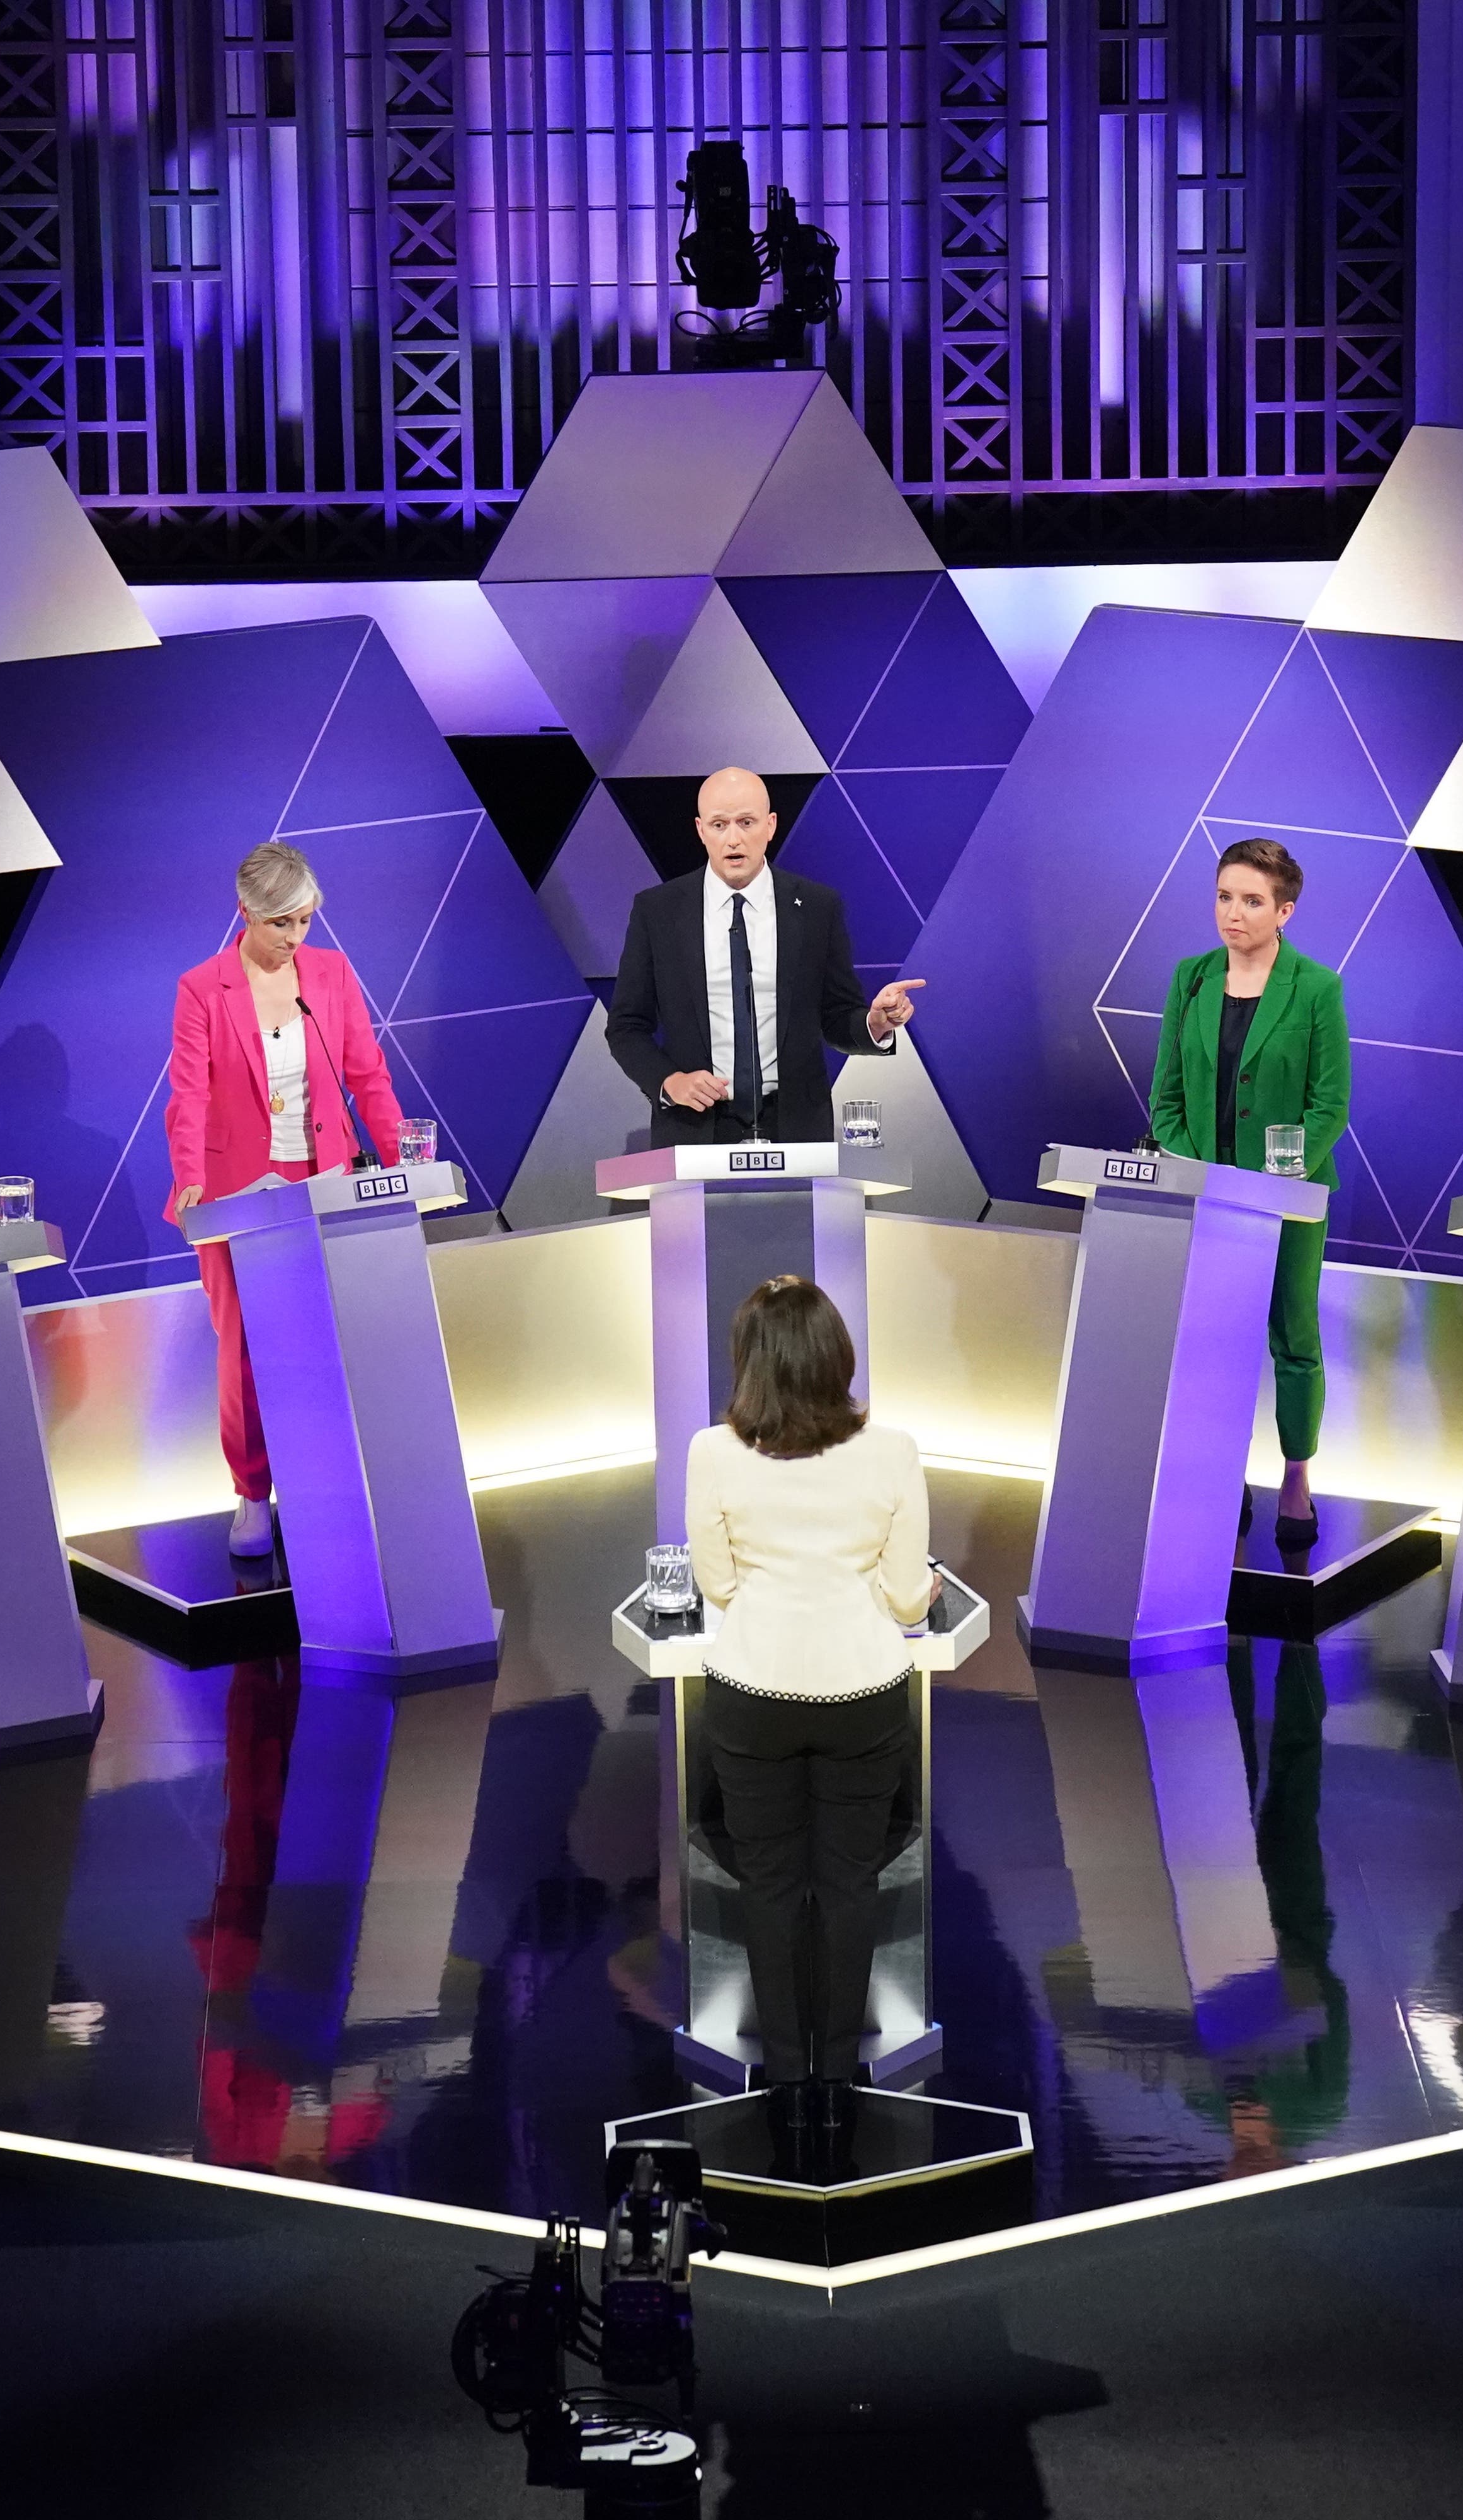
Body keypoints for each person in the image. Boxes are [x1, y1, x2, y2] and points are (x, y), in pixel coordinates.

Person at [682, 1276, 935, 2131]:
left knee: (773, 1887)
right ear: (837, 1354)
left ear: (748, 1363)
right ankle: (837, 2085)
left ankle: (788, 2084)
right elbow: (907, 1601)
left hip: (753, 1699)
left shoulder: (712, 1452)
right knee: (851, 1885)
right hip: (863, 1699)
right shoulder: (893, 1450)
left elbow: (716, 1584)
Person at [162, 840, 409, 1557]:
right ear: (246, 913)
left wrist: (402, 1162)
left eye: (305, 922)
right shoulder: (203, 986)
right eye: (281, 925)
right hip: (234, 1193)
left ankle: (331, 1487)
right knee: (244, 1353)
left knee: (331, 1343)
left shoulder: (330, 973)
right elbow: (189, 1095)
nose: (295, 939)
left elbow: (368, 1073)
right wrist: (192, 1180)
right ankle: (251, 1494)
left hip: (324, 1181)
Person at [1144, 837, 1350, 1540]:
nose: (1234, 913)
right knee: (1215, 1340)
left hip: (1290, 1200)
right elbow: (1165, 1098)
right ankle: (1221, 1469)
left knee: (1293, 1336)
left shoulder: (1317, 987)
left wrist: (1273, 1184)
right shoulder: (1191, 978)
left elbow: (1330, 1106)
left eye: (1253, 901)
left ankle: (1297, 1473)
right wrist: (1201, 1170)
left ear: (1284, 910)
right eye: (1225, 896)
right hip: (1208, 1194)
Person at [607, 766, 922, 1145]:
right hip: (693, 1129)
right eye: (720, 824)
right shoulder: (657, 911)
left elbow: (837, 1017)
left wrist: (874, 1024)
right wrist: (669, 1082)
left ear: (771, 825)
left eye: (747, 822)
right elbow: (626, 1027)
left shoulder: (818, 907)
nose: (734, 839)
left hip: (796, 1128)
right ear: (700, 830)